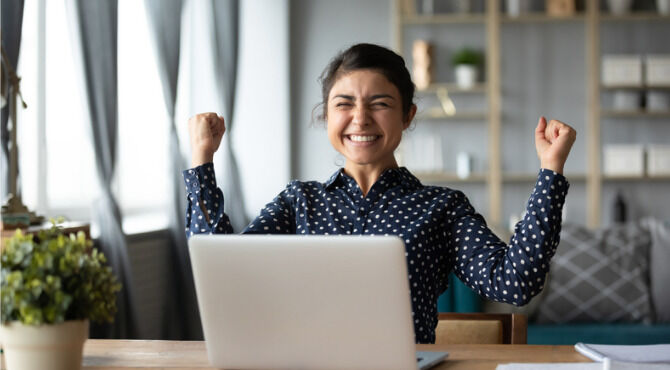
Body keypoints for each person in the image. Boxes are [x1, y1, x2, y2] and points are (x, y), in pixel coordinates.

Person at [183, 43, 576, 344]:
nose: (360, 118)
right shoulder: (298, 202)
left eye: (380, 103)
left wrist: (550, 171)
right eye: (344, 104)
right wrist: (202, 160)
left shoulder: (442, 207)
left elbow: (515, 283)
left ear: (408, 115)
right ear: (327, 115)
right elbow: (225, 273)